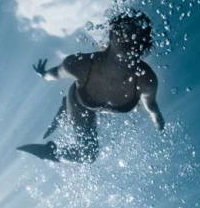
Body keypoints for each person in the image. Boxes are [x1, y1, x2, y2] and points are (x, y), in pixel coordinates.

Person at [17, 12, 164, 163]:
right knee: (88, 155)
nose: (130, 41)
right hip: (79, 102)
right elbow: (55, 73)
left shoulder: (146, 79)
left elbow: (151, 105)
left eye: (138, 38)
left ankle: (64, 110)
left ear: (144, 45)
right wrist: (43, 74)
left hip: (103, 106)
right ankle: (50, 152)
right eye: (125, 34)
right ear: (112, 35)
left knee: (93, 147)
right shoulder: (81, 65)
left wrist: (158, 120)